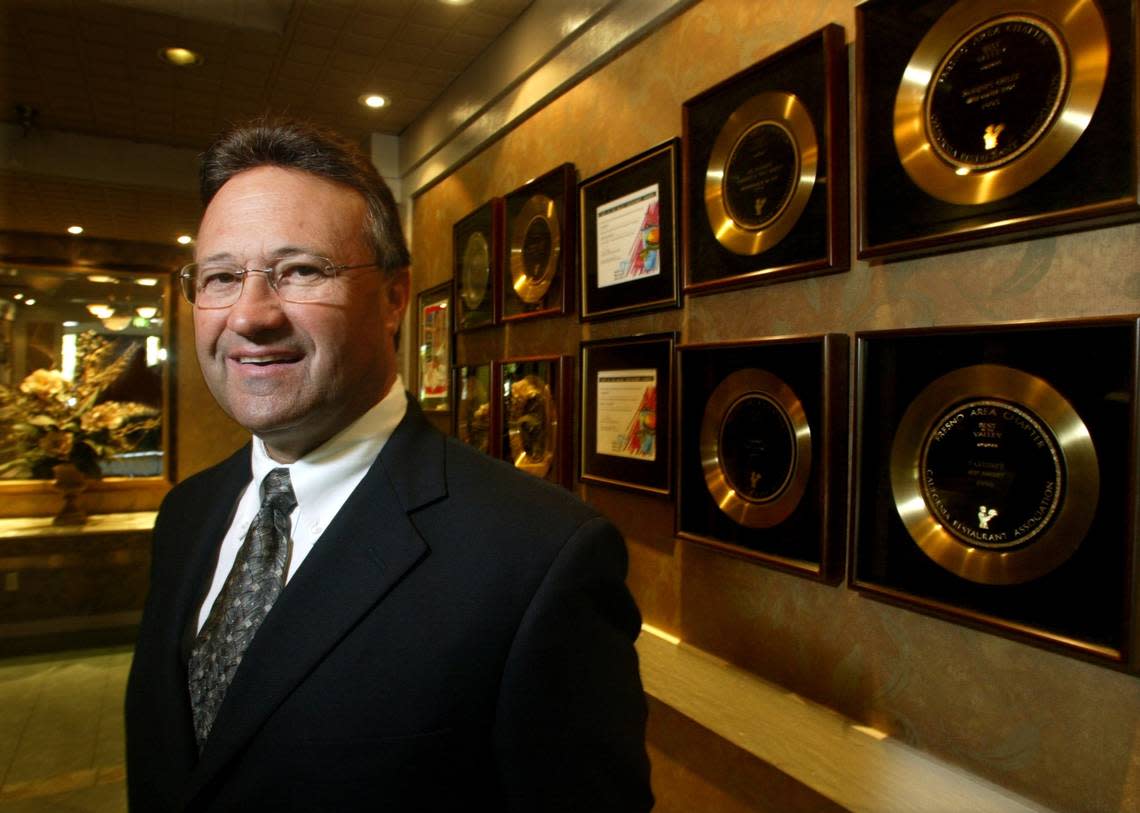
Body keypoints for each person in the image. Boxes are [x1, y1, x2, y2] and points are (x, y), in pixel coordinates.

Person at [124, 118, 653, 812]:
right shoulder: (186, 514)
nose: (250, 315)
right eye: (221, 277)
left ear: (395, 297)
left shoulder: (537, 559)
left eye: (301, 271)